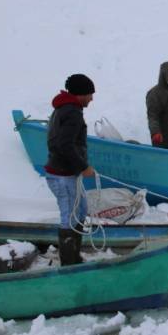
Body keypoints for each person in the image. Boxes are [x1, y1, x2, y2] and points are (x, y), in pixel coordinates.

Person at [44, 73, 96, 266]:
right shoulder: (72, 112)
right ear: (81, 94)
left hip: (67, 175)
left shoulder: (65, 109)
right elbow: (64, 145)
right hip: (62, 176)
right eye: (90, 94)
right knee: (69, 216)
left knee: (81, 211)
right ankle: (69, 264)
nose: (92, 98)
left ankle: (75, 256)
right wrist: (83, 167)